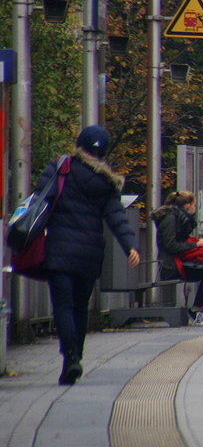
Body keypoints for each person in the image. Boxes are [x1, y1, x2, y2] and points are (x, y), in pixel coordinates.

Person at [37, 125, 141, 385]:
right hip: (89, 254)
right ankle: (78, 356)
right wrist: (130, 245)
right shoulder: (105, 181)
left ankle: (69, 356)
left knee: (62, 305)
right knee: (80, 306)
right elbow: (116, 216)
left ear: (79, 144)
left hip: (59, 248)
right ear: (103, 150)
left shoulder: (60, 169)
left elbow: (39, 201)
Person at [151, 190, 203, 326]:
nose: (195, 208)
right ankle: (196, 309)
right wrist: (196, 244)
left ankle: (197, 309)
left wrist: (196, 244)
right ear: (187, 205)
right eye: (194, 205)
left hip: (179, 262)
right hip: (172, 265)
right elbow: (171, 245)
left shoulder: (176, 218)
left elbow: (178, 241)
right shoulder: (170, 219)